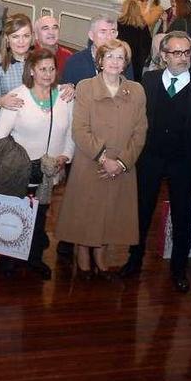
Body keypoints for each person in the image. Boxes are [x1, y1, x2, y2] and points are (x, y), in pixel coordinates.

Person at [117, 32, 191, 291]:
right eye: (176, 52)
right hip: (150, 158)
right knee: (142, 210)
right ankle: (133, 259)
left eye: (186, 52)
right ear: (163, 55)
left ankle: (179, 269)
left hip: (184, 161)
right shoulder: (147, 81)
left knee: (182, 215)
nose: (182, 58)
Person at [55, 39, 147, 279]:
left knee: (112, 213)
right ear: (100, 61)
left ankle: (101, 253)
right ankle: (83, 251)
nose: (115, 62)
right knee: (87, 210)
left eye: (120, 57)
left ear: (126, 63)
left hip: (123, 164)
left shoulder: (136, 90)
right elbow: (79, 129)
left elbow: (140, 131)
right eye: (110, 57)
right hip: (91, 161)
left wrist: (122, 162)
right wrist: (104, 157)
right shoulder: (85, 87)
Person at [0, 48, 75, 280]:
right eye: (42, 69)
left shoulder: (65, 97)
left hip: (49, 172)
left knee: (40, 216)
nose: (47, 74)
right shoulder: (18, 96)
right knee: (15, 214)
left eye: (51, 68)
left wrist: (65, 157)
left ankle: (34, 258)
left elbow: (71, 134)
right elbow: (0, 135)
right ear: (32, 71)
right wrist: (21, 162)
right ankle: (7, 258)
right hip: (21, 171)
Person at [62, 14, 133, 85]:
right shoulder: (75, 62)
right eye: (103, 32)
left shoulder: (123, 61)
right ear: (91, 35)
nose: (109, 37)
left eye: (113, 32)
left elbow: (129, 90)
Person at [116, 0, 152, 82]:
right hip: (138, 58)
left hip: (123, 56)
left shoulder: (120, 24)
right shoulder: (142, 25)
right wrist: (144, 56)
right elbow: (148, 42)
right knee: (135, 81)